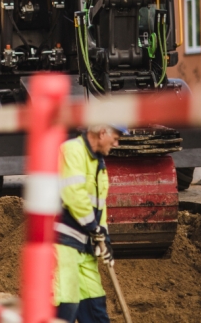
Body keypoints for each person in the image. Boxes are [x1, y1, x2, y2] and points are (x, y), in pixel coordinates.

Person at [54, 124, 128, 323]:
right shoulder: (72, 150)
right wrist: (94, 228)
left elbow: (99, 206)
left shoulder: (99, 164)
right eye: (116, 137)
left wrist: (105, 237)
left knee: (96, 308)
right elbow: (73, 195)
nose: (117, 143)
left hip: (86, 246)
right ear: (102, 131)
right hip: (64, 244)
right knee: (66, 307)